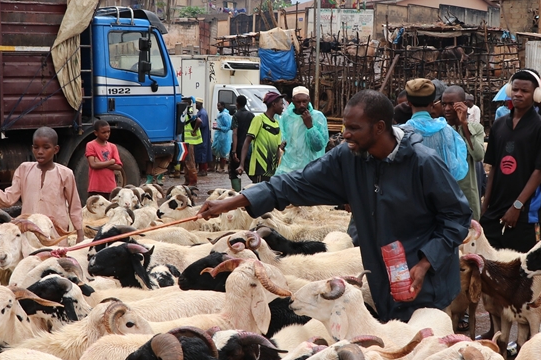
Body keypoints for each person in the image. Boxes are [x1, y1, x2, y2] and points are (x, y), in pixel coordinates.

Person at [198, 89, 470, 321]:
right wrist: (234, 201)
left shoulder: (423, 163)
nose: (345, 135)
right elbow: (296, 182)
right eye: (345, 127)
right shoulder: (349, 158)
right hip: (383, 280)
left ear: (379, 127)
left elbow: (457, 217)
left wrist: (424, 263)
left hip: (426, 283)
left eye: (354, 128)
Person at [0, 126, 84, 243]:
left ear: (56, 149)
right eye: (36, 147)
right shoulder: (24, 169)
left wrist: (80, 233)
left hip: (56, 234)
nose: (40, 152)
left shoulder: (65, 174)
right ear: (32, 148)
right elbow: (8, 199)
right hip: (29, 234)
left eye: (46, 147)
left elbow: (74, 206)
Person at [482, 70, 541, 253]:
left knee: (524, 265)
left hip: (527, 215)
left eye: (524, 91)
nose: (518, 94)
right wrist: (484, 207)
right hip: (495, 211)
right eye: (515, 89)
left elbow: (540, 171)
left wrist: (517, 206)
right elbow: (493, 168)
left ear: (536, 95)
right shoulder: (499, 125)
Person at [402, 79, 468, 183]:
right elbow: (459, 170)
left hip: (411, 192)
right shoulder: (447, 131)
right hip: (442, 190)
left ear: (409, 103)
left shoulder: (401, 133)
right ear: (432, 103)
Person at [440, 84, 485, 220]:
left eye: (452, 104)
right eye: (444, 104)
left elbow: (478, 155)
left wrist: (464, 124)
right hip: (443, 195)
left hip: (466, 194)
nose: (447, 108)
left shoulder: (475, 128)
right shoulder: (439, 130)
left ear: (463, 105)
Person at [276, 86, 328, 175]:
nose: (301, 105)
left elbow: (319, 146)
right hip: (288, 168)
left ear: (309, 100)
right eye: (298, 102)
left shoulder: (318, 117)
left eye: (304, 101)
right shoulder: (286, 117)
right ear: (293, 101)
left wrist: (310, 126)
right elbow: (282, 138)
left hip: (310, 169)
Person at [241, 91, 283, 182]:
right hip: (259, 169)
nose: (283, 107)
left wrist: (279, 166)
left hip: (272, 171)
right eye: (281, 104)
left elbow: (278, 148)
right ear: (274, 104)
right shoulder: (259, 119)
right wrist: (241, 164)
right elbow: (247, 141)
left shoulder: (277, 124)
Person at [85, 119, 123, 198]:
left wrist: (99, 162)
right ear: (96, 133)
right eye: (103, 132)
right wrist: (110, 162)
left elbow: (119, 166)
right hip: (95, 187)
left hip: (110, 187)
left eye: (108, 132)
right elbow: (93, 165)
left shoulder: (112, 147)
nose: (107, 134)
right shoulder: (91, 145)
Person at [229, 95, 255, 191]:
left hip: (239, 147)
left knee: (233, 172)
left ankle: (236, 194)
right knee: (251, 172)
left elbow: (235, 133)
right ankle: (257, 189)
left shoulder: (236, 116)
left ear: (237, 104)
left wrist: (234, 151)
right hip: (249, 148)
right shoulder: (252, 115)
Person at [181, 97, 202, 186]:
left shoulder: (189, 110)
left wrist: (193, 131)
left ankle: (193, 182)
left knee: (190, 161)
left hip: (190, 140)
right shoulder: (185, 111)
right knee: (186, 161)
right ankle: (187, 181)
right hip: (186, 140)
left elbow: (199, 121)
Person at [213, 100, 232, 174]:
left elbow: (228, 127)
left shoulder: (225, 115)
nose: (218, 107)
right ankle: (213, 167)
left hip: (223, 136)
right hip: (218, 135)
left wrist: (219, 128)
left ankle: (222, 167)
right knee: (214, 150)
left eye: (219, 106)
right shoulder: (220, 114)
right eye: (217, 106)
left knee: (222, 152)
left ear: (223, 106)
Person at [194, 100, 211, 174]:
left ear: (200, 104)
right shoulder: (200, 112)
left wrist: (194, 127)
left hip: (203, 135)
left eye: (197, 104)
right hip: (201, 135)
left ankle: (203, 170)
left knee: (202, 152)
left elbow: (202, 124)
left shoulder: (202, 113)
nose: (196, 105)